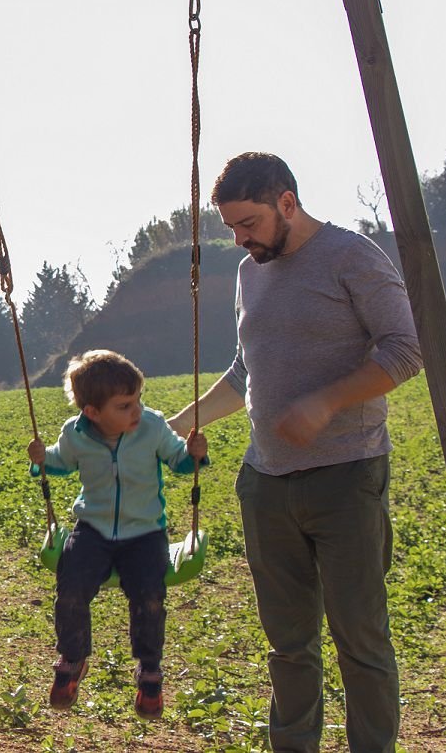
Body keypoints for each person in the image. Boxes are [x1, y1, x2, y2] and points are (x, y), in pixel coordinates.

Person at [169, 152, 422, 753]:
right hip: (267, 485)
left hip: (346, 476)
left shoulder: (351, 257)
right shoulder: (249, 272)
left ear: (287, 202)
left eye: (249, 223)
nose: (239, 239)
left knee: (360, 640)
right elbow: (243, 372)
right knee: (287, 642)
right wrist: (178, 422)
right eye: (230, 227)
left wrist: (327, 402)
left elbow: (405, 349)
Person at [28, 349, 208, 719]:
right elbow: (59, 461)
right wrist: (41, 459)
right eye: (124, 405)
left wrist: (195, 455)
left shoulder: (153, 427)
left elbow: (179, 461)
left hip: (145, 532)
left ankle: (149, 668)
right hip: (92, 528)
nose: (136, 411)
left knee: (149, 593)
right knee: (72, 586)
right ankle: (73, 658)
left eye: (137, 400)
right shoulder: (75, 434)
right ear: (92, 412)